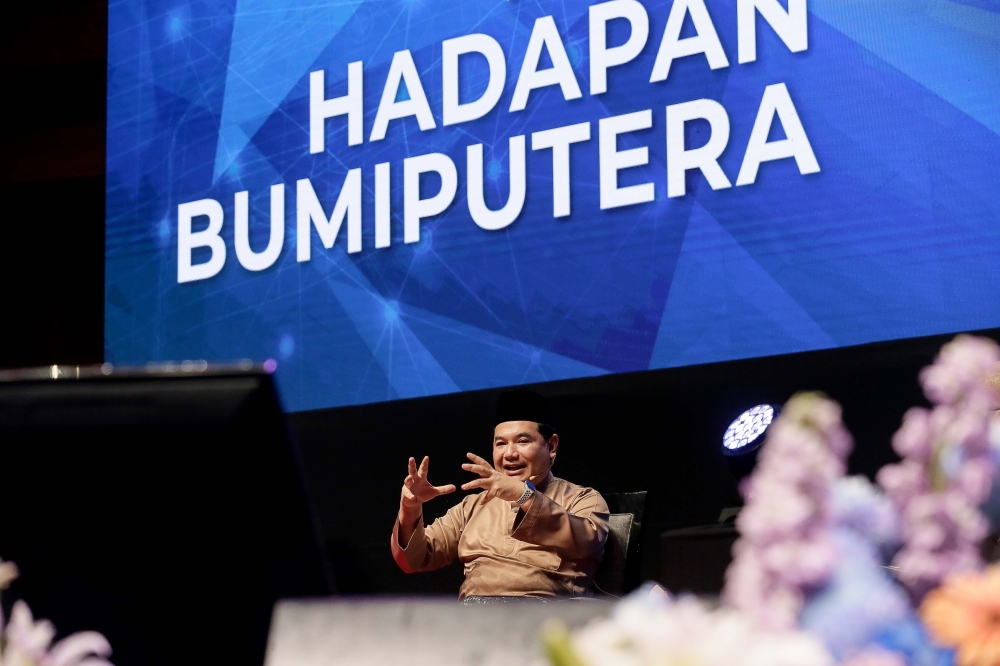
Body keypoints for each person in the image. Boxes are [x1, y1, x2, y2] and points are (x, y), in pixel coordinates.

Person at [390, 390, 610, 600]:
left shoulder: (583, 499)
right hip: (475, 617)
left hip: (547, 618)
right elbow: (413, 560)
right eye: (501, 444)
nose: (509, 454)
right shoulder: (473, 506)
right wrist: (410, 508)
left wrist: (524, 496)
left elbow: (588, 543)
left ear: (551, 446)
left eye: (522, 441)